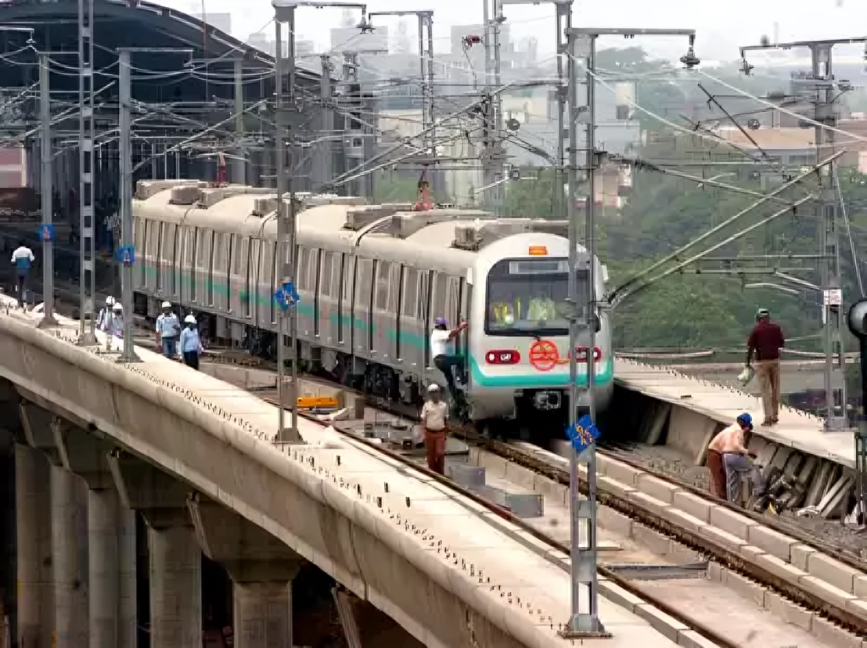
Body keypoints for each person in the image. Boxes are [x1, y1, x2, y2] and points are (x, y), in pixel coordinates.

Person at [747, 308, 785, 426]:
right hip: (775, 360)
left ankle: (768, 417)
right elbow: (781, 343)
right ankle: (775, 415)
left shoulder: (756, 330)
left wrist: (747, 363)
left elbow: (750, 348)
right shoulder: (776, 328)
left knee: (765, 390)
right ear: (769, 318)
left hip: (762, 362)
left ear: (758, 318)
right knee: (775, 389)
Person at [707, 413, 755, 503]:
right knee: (719, 478)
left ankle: (723, 500)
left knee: (724, 478)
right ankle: (721, 500)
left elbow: (730, 445)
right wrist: (747, 452)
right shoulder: (738, 430)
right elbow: (736, 446)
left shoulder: (732, 428)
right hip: (716, 453)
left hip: (718, 452)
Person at [430, 316, 467, 398]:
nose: (445, 327)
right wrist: (461, 327)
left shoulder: (437, 334)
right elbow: (451, 334)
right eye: (443, 326)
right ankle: (463, 379)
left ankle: (455, 398)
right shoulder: (438, 333)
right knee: (460, 358)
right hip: (441, 359)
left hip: (439, 361)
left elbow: (451, 336)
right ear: (440, 326)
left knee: (450, 379)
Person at [420, 384, 449, 474]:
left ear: (439, 393)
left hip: (440, 433)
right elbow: (423, 420)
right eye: (432, 393)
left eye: (436, 392)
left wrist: (445, 433)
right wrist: (423, 434)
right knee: (431, 455)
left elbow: (446, 419)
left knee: (440, 453)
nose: (434, 395)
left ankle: (440, 472)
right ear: (430, 395)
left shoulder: (444, 406)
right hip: (429, 432)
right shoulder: (426, 406)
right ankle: (432, 472)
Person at [11, 240, 34, 308]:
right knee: (27, 286)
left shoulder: (16, 251)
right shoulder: (28, 251)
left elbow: (13, 261)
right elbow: (32, 259)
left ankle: (20, 302)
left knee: (19, 287)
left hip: (19, 270)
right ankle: (28, 302)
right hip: (26, 270)